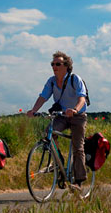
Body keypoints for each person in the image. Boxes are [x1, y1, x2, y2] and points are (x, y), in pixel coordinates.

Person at [26, 51, 88, 189]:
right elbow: (43, 97)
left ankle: (78, 181)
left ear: (66, 66)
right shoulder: (52, 81)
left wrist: (75, 110)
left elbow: (82, 98)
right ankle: (58, 160)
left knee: (78, 147)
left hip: (78, 116)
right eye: (52, 64)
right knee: (49, 132)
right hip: (62, 115)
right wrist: (34, 110)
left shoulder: (74, 79)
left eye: (58, 64)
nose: (54, 66)